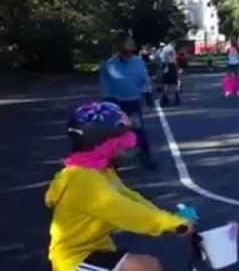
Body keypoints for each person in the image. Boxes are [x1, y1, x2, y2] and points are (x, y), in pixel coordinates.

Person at [46, 102, 195, 271]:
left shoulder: (97, 169)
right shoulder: (84, 181)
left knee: (149, 265)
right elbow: (127, 212)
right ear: (102, 143)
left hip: (94, 249)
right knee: (144, 267)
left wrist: (170, 219)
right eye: (120, 142)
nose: (125, 147)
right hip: (74, 260)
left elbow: (128, 196)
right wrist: (173, 225)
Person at [99, 34, 157, 170]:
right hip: (116, 103)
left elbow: (145, 80)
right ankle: (112, 161)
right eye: (128, 42)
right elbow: (105, 85)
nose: (132, 44)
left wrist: (148, 97)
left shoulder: (138, 62)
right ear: (121, 45)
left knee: (138, 130)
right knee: (114, 133)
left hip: (133, 101)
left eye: (132, 42)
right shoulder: (109, 64)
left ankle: (145, 156)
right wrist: (106, 102)